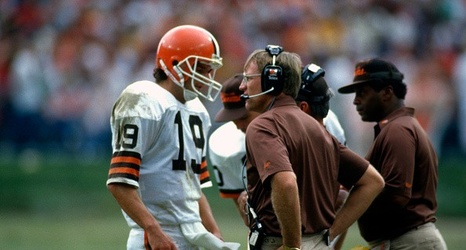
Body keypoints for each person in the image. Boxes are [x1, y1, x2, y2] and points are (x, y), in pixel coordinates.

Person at [106, 25, 240, 250]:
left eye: (210, 69)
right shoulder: (144, 100)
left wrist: (214, 231)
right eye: (201, 68)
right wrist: (152, 229)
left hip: (193, 233)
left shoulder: (198, 111)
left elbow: (192, 188)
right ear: (175, 65)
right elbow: (119, 182)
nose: (208, 77)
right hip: (155, 236)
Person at [239, 45, 384, 250]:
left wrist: (292, 246)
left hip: (281, 243)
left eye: (248, 78)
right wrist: (330, 234)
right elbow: (373, 181)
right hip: (318, 244)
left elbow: (286, 183)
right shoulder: (317, 127)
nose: (242, 87)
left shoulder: (263, 126)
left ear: (271, 80)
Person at [338, 58, 447, 249]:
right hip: (405, 241)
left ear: (387, 92)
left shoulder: (398, 130)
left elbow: (397, 195)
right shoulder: (398, 127)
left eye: (362, 92)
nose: (356, 100)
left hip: (409, 242)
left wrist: (350, 200)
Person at [295, 63, 348, 250]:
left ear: (302, 107)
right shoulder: (329, 128)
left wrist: (330, 238)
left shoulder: (328, 130)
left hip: (305, 235)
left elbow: (343, 195)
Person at [209, 74, 260, 219]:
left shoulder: (298, 129)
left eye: (243, 117)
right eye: (232, 119)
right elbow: (248, 220)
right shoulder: (225, 145)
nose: (238, 126)